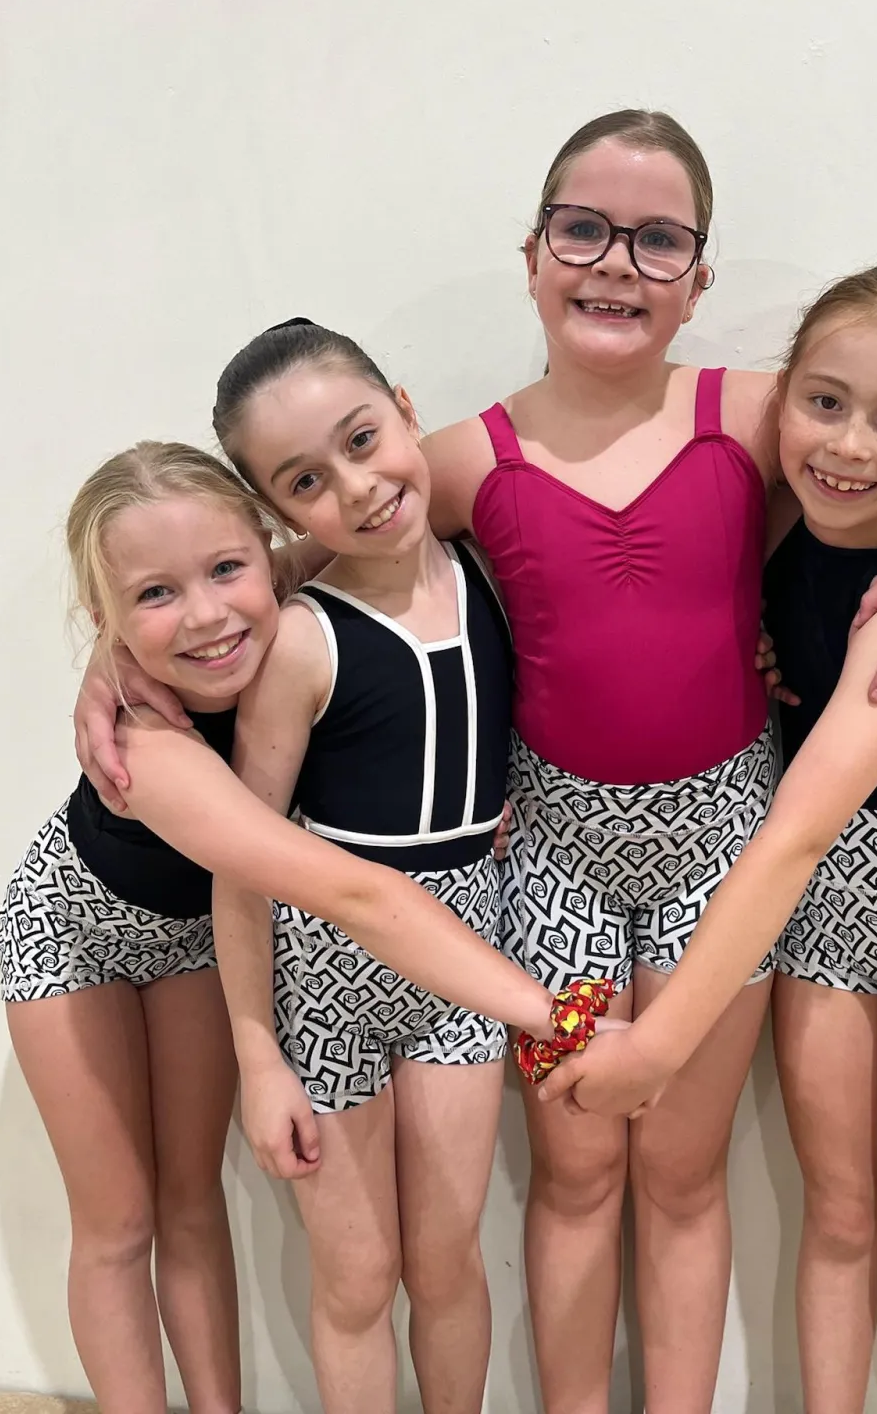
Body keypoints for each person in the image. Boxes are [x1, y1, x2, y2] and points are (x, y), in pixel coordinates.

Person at [419, 115, 877, 1412]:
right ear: (532, 253)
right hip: (561, 862)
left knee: (685, 1178)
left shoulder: (753, 414)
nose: (614, 261)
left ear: (698, 279)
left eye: (657, 240)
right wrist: (124, 653)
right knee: (578, 1171)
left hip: (723, 851)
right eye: (583, 228)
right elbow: (308, 547)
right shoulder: (467, 459)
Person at [539, 265, 877, 1414]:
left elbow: (798, 829)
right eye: (825, 403)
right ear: (784, 399)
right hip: (802, 921)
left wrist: (661, 1045)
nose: (849, 444)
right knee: (839, 1215)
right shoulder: (766, 521)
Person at [2, 440, 556, 1414]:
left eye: (226, 569)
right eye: (156, 596)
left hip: (206, 935)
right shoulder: (145, 744)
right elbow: (357, 896)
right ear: (106, 617)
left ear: (269, 551)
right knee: (119, 1219)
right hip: (74, 930)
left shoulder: (284, 605)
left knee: (191, 1201)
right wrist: (559, 1015)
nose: (207, 615)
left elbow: (379, 502)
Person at [203, 320, 525, 1414]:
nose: (357, 485)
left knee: (447, 1260)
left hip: (462, 961)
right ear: (279, 512)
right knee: (355, 1276)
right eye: (306, 481)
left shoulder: (490, 570)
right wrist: (258, 1057)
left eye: (363, 438)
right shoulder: (301, 639)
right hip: (326, 979)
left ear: (404, 409)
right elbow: (243, 864)